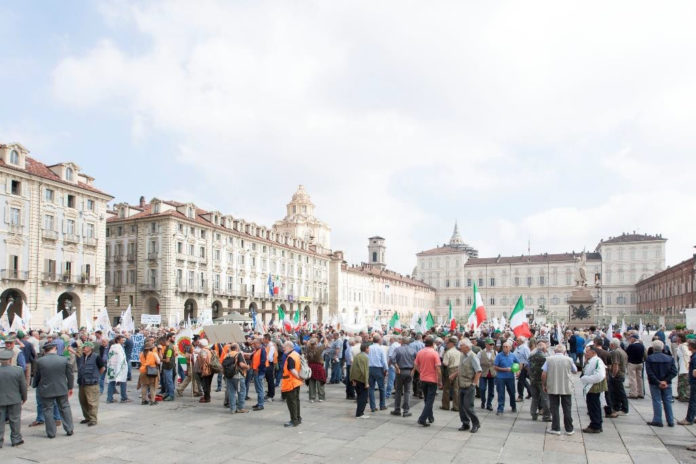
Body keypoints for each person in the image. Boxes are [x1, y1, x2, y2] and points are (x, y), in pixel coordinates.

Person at [33, 342, 74, 438]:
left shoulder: (40, 361)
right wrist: (70, 387)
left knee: (48, 410)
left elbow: (37, 376)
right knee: (65, 408)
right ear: (55, 348)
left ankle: (51, 433)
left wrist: (35, 385)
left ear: (45, 350)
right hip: (61, 388)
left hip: (46, 389)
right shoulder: (64, 359)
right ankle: (69, 429)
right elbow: (70, 375)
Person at [542, 344, 577, 435]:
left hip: (553, 386)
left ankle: (556, 428)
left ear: (554, 351)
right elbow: (575, 370)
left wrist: (544, 385)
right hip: (566, 386)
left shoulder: (549, 359)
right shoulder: (569, 359)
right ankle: (569, 429)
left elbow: (544, 374)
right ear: (564, 352)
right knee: (567, 408)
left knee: (554, 408)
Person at [645, 339, 677, 427]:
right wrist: (665, 381)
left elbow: (649, 372)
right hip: (667, 383)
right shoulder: (670, 358)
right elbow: (674, 371)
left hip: (655, 383)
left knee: (657, 401)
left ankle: (658, 419)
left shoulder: (650, 358)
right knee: (667, 401)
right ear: (662, 348)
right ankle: (670, 420)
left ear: (653, 348)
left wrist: (658, 381)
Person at [451, 339, 481, 433]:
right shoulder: (462, 355)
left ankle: (476, 423)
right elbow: (461, 368)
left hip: (469, 385)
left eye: (461, 345)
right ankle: (465, 423)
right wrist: (454, 374)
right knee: (461, 406)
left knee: (468, 406)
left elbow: (478, 371)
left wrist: (474, 384)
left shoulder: (473, 357)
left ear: (467, 347)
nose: (460, 347)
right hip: (461, 384)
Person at [0, 349, 26, 448]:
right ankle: (16, 439)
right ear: (10, 359)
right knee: (15, 419)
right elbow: (23, 386)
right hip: (14, 399)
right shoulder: (18, 370)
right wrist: (24, 397)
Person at [414, 335, 441, 427]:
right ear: (433, 344)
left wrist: (421, 371)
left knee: (427, 399)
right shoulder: (434, 353)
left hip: (423, 378)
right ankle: (422, 418)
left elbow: (416, 365)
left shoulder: (420, 352)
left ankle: (430, 416)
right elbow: (438, 368)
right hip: (432, 379)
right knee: (429, 400)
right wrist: (440, 380)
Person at [76, 341, 104, 426]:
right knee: (83, 401)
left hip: (92, 383)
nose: (83, 348)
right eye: (83, 347)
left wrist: (97, 375)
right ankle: (87, 417)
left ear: (90, 348)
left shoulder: (96, 357)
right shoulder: (82, 357)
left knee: (92, 402)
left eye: (85, 347)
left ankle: (93, 419)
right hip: (82, 383)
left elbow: (102, 368)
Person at [580, 347, 606, 434]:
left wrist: (586, 379)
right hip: (591, 386)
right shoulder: (591, 360)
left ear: (593, 352)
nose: (586, 353)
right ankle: (596, 424)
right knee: (593, 406)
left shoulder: (597, 361)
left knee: (594, 406)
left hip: (594, 387)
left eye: (587, 352)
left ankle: (595, 425)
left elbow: (599, 375)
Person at [390, 337, 416, 418]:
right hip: (409, 371)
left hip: (400, 371)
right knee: (407, 392)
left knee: (398, 391)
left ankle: (397, 409)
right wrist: (413, 370)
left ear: (402, 342)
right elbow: (417, 360)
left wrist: (396, 367)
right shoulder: (413, 350)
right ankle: (406, 410)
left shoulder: (398, 349)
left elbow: (392, 358)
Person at [221, 343, 248, 413]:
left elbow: (222, 365)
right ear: (236, 348)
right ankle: (240, 408)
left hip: (229, 376)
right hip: (238, 376)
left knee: (231, 392)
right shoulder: (238, 354)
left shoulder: (227, 355)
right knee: (241, 392)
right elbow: (241, 364)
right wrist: (247, 366)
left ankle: (232, 408)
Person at [280, 341, 302, 427]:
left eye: (284, 347)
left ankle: (294, 420)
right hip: (295, 382)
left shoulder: (290, 357)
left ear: (289, 347)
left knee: (292, 402)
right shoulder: (296, 354)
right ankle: (298, 418)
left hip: (291, 382)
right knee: (296, 401)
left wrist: (298, 377)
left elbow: (292, 370)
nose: (283, 349)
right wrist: (299, 378)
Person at [528, 341, 551, 422]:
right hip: (542, 381)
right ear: (544, 348)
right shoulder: (545, 357)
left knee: (535, 398)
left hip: (533, 380)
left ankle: (533, 414)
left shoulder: (531, 356)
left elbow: (528, 368)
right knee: (545, 398)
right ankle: (546, 416)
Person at [494, 341, 519, 415]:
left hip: (510, 377)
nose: (505, 348)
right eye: (504, 346)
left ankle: (513, 406)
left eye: (506, 347)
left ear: (510, 348)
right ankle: (500, 409)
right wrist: (504, 369)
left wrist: (517, 370)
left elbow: (517, 363)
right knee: (501, 393)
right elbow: (495, 367)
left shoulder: (513, 355)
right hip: (500, 377)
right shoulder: (499, 355)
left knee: (512, 392)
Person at [106, 335, 130, 404]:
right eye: (122, 340)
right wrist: (121, 367)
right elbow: (121, 358)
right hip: (119, 367)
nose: (123, 341)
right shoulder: (118, 348)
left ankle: (109, 398)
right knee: (122, 382)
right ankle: (124, 398)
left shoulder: (112, 347)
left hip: (112, 368)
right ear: (118, 340)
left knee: (111, 382)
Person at [367, 334, 388, 413]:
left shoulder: (369, 348)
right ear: (379, 340)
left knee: (371, 388)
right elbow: (384, 360)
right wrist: (386, 369)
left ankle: (373, 407)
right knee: (382, 388)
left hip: (370, 368)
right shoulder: (381, 348)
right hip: (379, 369)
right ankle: (382, 405)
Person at [678, 339, 696, 426]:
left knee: (693, 401)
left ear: (691, 347)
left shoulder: (695, 357)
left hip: (694, 382)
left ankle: (689, 419)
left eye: (689, 345)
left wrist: (693, 373)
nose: (688, 346)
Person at [350, 342, 370, 419]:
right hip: (361, 380)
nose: (369, 350)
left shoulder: (357, 356)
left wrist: (352, 379)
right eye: (368, 348)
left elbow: (352, 368)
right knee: (363, 397)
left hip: (356, 379)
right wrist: (366, 382)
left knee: (360, 396)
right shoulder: (365, 357)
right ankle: (360, 413)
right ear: (366, 349)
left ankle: (359, 412)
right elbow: (365, 370)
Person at [441, 336, 461, 412]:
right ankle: (456, 406)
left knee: (446, 389)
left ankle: (445, 405)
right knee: (456, 389)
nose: (446, 344)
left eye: (448, 343)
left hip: (449, 370)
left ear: (452, 343)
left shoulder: (448, 352)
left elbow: (445, 363)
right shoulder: (459, 352)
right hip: (457, 370)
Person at [138, 341, 160, 406]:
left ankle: (143, 400)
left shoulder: (141, 354)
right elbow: (158, 362)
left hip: (143, 371)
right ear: (151, 348)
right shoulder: (153, 354)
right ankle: (152, 401)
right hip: (151, 371)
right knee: (152, 386)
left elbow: (140, 362)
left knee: (144, 386)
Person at [478, 338, 497, 411]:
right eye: (490, 344)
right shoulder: (480, 353)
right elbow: (477, 362)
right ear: (486, 345)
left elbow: (497, 362)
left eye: (493, 344)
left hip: (492, 373)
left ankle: (489, 404)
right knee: (482, 388)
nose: (492, 346)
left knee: (491, 390)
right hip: (483, 373)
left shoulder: (495, 352)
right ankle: (483, 401)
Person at [625, 334, 646, 399]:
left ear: (634, 339)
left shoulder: (631, 346)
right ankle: (640, 392)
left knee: (632, 379)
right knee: (639, 378)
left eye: (631, 338)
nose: (630, 339)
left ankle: (633, 393)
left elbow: (626, 353)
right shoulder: (642, 345)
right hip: (640, 363)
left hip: (632, 363)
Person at [250, 338, 267, 411]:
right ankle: (259, 403)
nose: (253, 345)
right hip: (256, 371)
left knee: (260, 389)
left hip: (259, 372)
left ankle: (260, 404)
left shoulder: (262, 350)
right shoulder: (257, 350)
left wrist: (258, 369)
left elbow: (263, 361)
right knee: (258, 388)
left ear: (258, 343)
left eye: (254, 344)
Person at [161, 333, 178, 402]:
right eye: (173, 337)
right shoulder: (169, 347)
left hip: (168, 367)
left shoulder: (169, 349)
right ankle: (168, 394)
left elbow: (167, 360)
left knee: (169, 382)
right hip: (168, 366)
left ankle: (171, 395)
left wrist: (161, 359)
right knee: (168, 381)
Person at [514, 336, 531, 401]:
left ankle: (520, 396)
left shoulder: (525, 348)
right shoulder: (517, 348)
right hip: (518, 366)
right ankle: (530, 392)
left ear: (522, 341)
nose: (516, 341)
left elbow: (528, 358)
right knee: (523, 381)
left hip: (524, 367)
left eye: (518, 340)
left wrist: (526, 367)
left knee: (520, 382)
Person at [197, 339, 214, 403]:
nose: (198, 344)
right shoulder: (209, 349)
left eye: (199, 343)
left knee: (205, 384)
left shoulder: (203, 350)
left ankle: (207, 398)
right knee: (208, 384)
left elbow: (204, 358)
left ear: (201, 344)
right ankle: (207, 396)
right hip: (210, 369)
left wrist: (203, 366)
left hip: (206, 369)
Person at [676, 334, 690, 402]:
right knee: (681, 382)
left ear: (681, 338)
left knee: (684, 382)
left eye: (678, 337)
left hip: (684, 366)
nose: (676, 338)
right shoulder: (681, 345)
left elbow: (687, 354)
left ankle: (684, 396)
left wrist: (687, 364)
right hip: (681, 365)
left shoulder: (683, 346)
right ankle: (681, 395)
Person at [263, 334, 277, 402]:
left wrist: (264, 358)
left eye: (264, 339)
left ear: (267, 339)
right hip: (269, 364)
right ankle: (269, 394)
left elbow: (270, 357)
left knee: (270, 380)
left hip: (269, 364)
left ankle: (271, 395)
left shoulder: (271, 346)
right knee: (269, 380)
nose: (263, 340)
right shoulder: (270, 345)